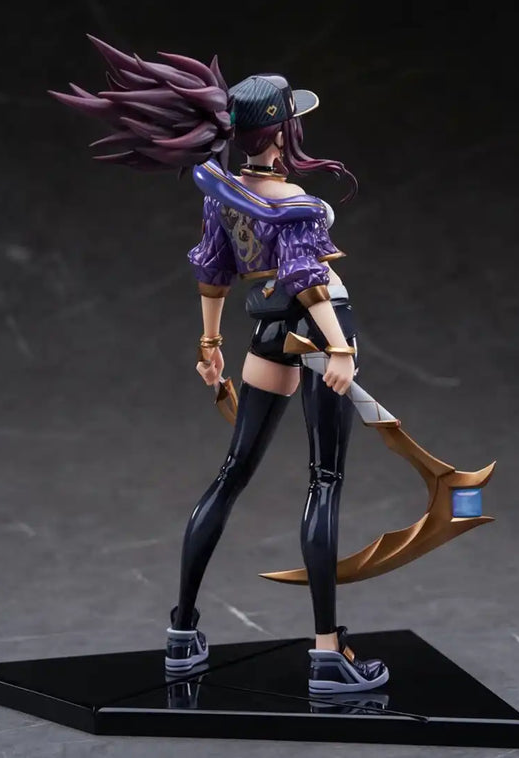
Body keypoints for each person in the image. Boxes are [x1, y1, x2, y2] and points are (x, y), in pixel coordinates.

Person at [50, 37, 389, 694]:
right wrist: (340, 350)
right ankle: (327, 655)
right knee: (323, 481)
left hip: (266, 330)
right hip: (320, 327)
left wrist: (211, 345)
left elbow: (215, 271)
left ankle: (182, 633)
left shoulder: (224, 195)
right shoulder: (292, 200)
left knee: (232, 473)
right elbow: (308, 281)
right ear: (281, 131)